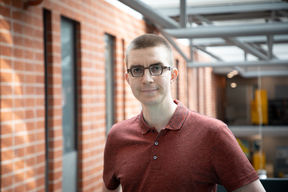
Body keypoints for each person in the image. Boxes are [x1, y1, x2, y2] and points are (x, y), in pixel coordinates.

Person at [102, 33, 266, 192]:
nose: (147, 79)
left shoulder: (213, 133)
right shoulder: (117, 136)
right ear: (128, 78)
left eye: (156, 68)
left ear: (173, 75)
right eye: (137, 70)